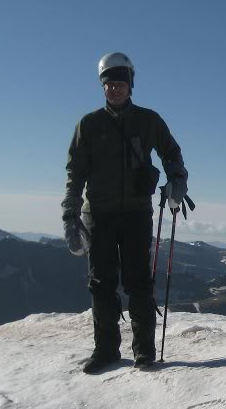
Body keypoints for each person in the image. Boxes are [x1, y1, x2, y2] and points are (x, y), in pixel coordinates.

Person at [62, 52, 188, 373]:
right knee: (101, 283)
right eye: (109, 84)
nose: (114, 89)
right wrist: (71, 214)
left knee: (138, 282)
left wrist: (177, 180)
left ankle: (143, 351)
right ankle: (106, 351)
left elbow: (170, 152)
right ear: (102, 87)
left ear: (131, 84)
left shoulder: (148, 121)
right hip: (99, 216)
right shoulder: (88, 125)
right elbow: (75, 174)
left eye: (120, 83)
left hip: (135, 214)